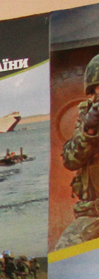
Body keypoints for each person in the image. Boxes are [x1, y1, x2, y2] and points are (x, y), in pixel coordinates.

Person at [58, 54, 99, 251]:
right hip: (93, 213)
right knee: (65, 252)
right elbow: (70, 160)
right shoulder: (89, 114)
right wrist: (89, 131)